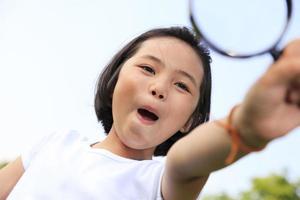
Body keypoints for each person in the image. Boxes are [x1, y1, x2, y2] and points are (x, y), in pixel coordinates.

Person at [0, 26, 299, 200]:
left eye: (182, 85)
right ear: (115, 80)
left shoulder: (162, 180)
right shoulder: (55, 143)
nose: (159, 88)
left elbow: (187, 161)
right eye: (147, 68)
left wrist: (245, 127)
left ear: (191, 121)